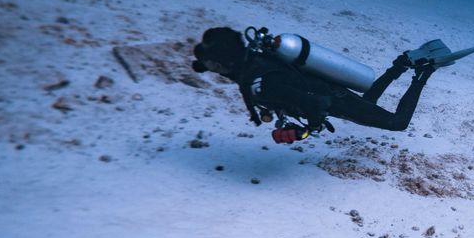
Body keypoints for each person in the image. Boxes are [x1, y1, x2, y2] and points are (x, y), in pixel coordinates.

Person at [191, 27, 455, 143]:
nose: (215, 71)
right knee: (366, 104)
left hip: (329, 98)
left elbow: (317, 104)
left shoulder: (258, 83)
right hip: (327, 88)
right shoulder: (256, 59)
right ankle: (401, 64)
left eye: (214, 66)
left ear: (225, 62)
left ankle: (423, 71)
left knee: (398, 123)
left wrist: (309, 129)